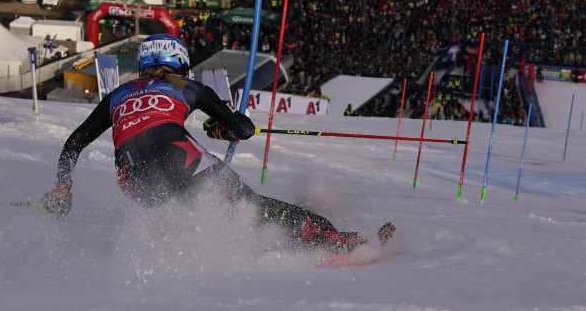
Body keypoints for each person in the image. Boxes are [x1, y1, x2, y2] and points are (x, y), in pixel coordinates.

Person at [39, 33, 367, 254]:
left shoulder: (116, 95)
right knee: (249, 205)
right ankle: (330, 238)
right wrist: (221, 129)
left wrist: (61, 189)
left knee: (181, 212)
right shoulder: (184, 84)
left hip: (131, 175)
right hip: (177, 154)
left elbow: (73, 143)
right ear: (179, 60)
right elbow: (243, 128)